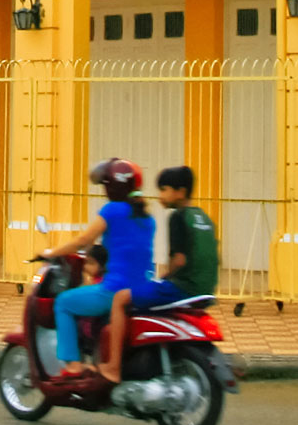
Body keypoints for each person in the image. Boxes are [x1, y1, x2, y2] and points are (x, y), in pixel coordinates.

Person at [38, 159, 157, 382]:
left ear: (111, 187)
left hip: (114, 290)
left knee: (63, 302)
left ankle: (73, 365)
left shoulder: (112, 210)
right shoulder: (148, 218)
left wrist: (51, 253)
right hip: (143, 289)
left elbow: (84, 240)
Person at [98, 166, 220, 377]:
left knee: (120, 298)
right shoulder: (204, 218)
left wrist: (163, 278)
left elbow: (179, 260)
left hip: (183, 287)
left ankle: (113, 366)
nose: (160, 195)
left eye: (164, 189)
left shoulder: (178, 217)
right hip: (205, 288)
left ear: (179, 192)